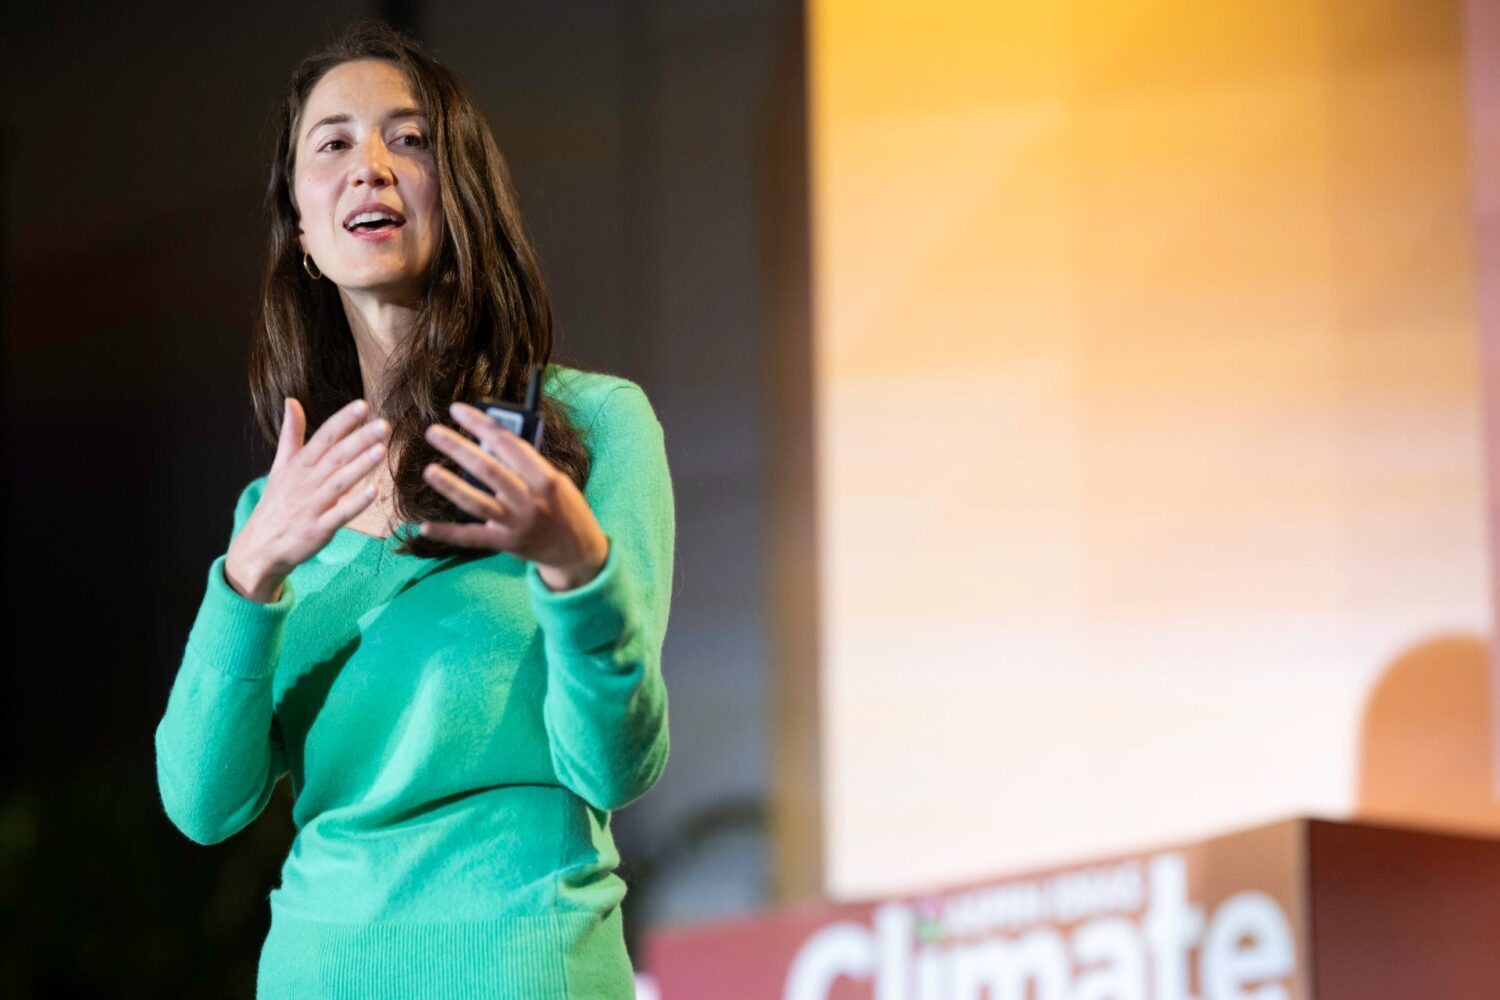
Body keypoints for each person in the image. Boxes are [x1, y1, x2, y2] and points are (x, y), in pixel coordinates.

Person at [153, 20, 673, 999]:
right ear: (303, 232)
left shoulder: (593, 431)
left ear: (460, 192)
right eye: (333, 143)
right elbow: (201, 803)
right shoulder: (279, 505)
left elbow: (616, 767)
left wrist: (574, 565)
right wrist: (248, 575)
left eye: (410, 139)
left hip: (528, 968)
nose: (371, 166)